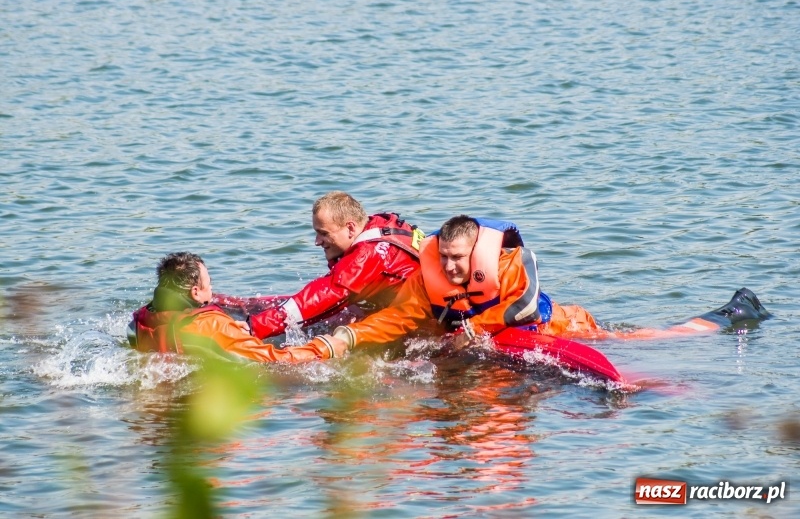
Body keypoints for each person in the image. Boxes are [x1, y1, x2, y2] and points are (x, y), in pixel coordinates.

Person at [310, 215, 772, 357]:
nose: (450, 268)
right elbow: (395, 318)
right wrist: (343, 339)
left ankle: (733, 314)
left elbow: (526, 306)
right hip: (499, 339)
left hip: (559, 327)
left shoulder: (507, 263)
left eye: (458, 259)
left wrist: (475, 331)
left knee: (652, 338)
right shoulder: (426, 278)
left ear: (476, 256)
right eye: (444, 258)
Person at [242, 191, 424, 339]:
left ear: (351, 228)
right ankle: (240, 305)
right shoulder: (378, 225)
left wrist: (254, 327)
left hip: (418, 323)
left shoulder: (367, 256)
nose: (317, 242)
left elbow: (326, 293)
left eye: (323, 233)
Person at [128, 252, 342, 362]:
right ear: (195, 292)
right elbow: (272, 360)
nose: (212, 288)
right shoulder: (212, 325)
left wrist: (228, 330)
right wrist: (323, 348)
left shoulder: (138, 323)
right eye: (209, 283)